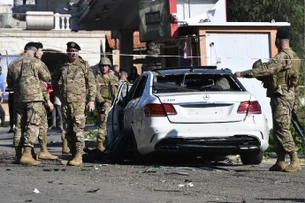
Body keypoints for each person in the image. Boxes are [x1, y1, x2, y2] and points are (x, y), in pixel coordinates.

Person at [234, 28, 301, 172]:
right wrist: (294, 100)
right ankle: (281, 160)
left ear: (277, 40)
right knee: (278, 128)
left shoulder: (282, 57)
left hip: (281, 96)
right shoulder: (295, 57)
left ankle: (294, 159)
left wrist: (243, 73)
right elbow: (296, 81)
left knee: (282, 127)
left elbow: (266, 70)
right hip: (287, 95)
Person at [7, 42, 52, 165]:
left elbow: (9, 82)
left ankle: (18, 155)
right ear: (36, 51)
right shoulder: (37, 62)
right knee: (33, 124)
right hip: (34, 99)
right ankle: (27, 153)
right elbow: (47, 77)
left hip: (18, 99)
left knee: (19, 126)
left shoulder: (13, 63)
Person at [52, 41, 96, 166]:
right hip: (65, 102)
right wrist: (58, 94)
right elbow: (54, 79)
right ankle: (72, 155)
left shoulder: (84, 65)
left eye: (75, 51)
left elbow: (92, 83)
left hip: (79, 102)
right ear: (67, 52)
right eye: (71, 51)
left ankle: (79, 156)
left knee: (78, 128)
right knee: (68, 129)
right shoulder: (62, 65)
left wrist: (91, 100)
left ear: (78, 52)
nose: (73, 53)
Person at [34, 42, 58, 160]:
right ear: (36, 51)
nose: (42, 53)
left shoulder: (18, 63)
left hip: (23, 100)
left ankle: (24, 152)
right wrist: (48, 101)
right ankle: (43, 150)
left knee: (24, 126)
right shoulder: (38, 64)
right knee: (41, 125)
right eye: (41, 50)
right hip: (38, 99)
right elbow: (46, 80)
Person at [95, 57, 118, 152]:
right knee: (103, 123)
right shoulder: (97, 78)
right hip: (104, 103)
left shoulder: (112, 77)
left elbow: (120, 85)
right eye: (103, 66)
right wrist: (102, 101)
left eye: (106, 66)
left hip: (114, 102)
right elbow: (95, 92)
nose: (104, 68)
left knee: (114, 123)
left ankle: (112, 142)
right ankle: (100, 143)